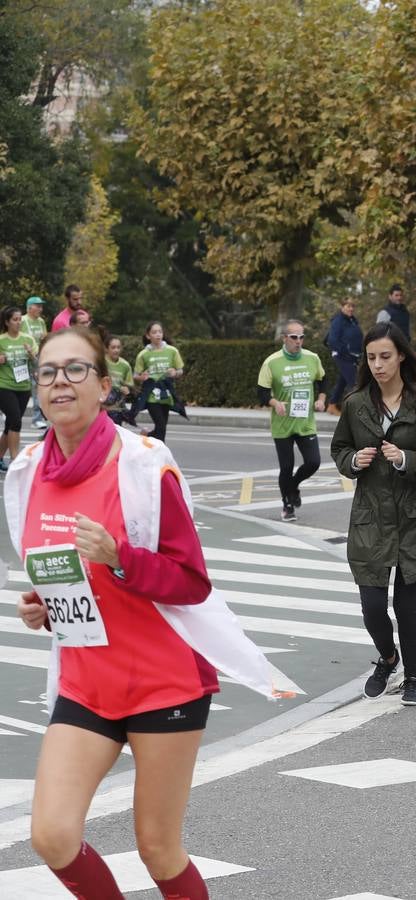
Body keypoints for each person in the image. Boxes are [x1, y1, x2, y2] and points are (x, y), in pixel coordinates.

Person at [10, 326, 273, 900]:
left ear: (104, 385)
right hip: (87, 680)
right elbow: (66, 582)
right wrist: (46, 609)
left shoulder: (144, 466)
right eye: (49, 372)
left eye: (76, 370)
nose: (60, 382)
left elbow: (190, 581)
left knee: (157, 849)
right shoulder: (27, 473)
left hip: (163, 682)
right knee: (52, 836)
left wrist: (119, 557)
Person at [332, 322, 416, 706]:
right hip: (371, 518)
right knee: (372, 607)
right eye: (371, 358)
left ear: (401, 355)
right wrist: (354, 460)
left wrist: (406, 459)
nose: (378, 365)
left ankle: (414, 678)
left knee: (406, 606)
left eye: (385, 356)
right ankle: (389, 658)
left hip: (415, 518)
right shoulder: (356, 404)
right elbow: (339, 449)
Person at [258, 320, 328, 522]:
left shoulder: (312, 358)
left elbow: (323, 381)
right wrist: (274, 402)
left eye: (302, 337)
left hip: (305, 421)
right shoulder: (272, 362)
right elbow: (261, 393)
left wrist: (321, 399)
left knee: (313, 462)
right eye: (294, 337)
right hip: (283, 424)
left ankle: (294, 486)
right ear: (285, 338)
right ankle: (287, 505)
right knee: (286, 467)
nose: (299, 341)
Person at [132, 322, 185, 442]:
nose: (158, 334)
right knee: (161, 426)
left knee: (162, 428)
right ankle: (161, 455)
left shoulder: (172, 351)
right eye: (154, 332)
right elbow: (135, 375)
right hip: (151, 395)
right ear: (148, 336)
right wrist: (142, 378)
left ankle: (146, 436)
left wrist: (175, 373)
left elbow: (180, 370)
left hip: (166, 394)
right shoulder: (143, 354)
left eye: (160, 332)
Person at [0, 305, 39, 469]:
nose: (18, 322)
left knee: (11, 425)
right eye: (15, 320)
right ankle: (15, 459)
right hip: (4, 386)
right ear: (7, 322)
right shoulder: (1, 340)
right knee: (15, 420)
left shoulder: (28, 339)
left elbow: (36, 362)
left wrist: (31, 354)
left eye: (20, 319)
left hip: (23, 387)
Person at [325, 297, 363, 412]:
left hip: (352, 356)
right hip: (342, 355)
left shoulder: (352, 320)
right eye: (348, 306)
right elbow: (332, 340)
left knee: (342, 381)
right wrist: (345, 351)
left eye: (352, 306)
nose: (351, 309)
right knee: (355, 383)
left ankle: (332, 405)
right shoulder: (338, 321)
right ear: (342, 307)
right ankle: (358, 410)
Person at [22, 296, 48, 428]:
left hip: (37, 359)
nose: (40, 308)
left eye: (41, 306)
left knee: (37, 387)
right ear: (29, 307)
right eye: (37, 306)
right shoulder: (22, 320)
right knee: (20, 386)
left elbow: (45, 337)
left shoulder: (41, 321)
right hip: (23, 359)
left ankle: (37, 418)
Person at [103, 335, 135, 425]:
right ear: (106, 349)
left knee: (115, 429)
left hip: (117, 404)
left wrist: (126, 389)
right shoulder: (101, 362)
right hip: (102, 400)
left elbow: (129, 385)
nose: (116, 350)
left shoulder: (125, 365)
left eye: (118, 347)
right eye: (113, 347)